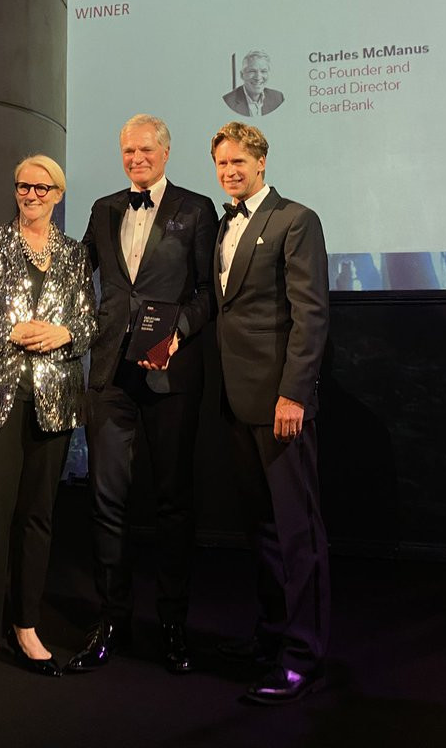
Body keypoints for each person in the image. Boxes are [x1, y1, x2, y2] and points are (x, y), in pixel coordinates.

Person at [66, 114, 218, 675]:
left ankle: (173, 622)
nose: (136, 158)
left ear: (166, 152)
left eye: (146, 150)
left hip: (169, 373)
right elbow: (77, 274)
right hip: (110, 375)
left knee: (173, 502)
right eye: (128, 150)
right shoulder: (104, 208)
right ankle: (112, 618)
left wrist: (178, 332)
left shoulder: (195, 208)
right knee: (106, 499)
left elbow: (208, 290)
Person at [0, 154, 96, 697]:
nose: (31, 194)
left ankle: (26, 626)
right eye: (23, 186)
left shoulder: (74, 255)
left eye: (41, 187)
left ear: (58, 194)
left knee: (37, 518)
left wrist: (65, 335)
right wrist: (11, 331)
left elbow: (88, 321)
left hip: (52, 400)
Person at [210, 121, 330, 705]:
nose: (230, 171)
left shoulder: (296, 220)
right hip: (238, 399)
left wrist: (294, 394)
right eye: (222, 164)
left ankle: (303, 655)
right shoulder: (223, 224)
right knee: (260, 529)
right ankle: (272, 634)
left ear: (261, 162)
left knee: (296, 530)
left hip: (280, 402)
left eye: (239, 161)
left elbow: (311, 314)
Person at [223, 50, 284, 117]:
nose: (258, 77)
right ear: (242, 75)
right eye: (252, 71)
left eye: (263, 71)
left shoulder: (278, 98)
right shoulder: (228, 102)